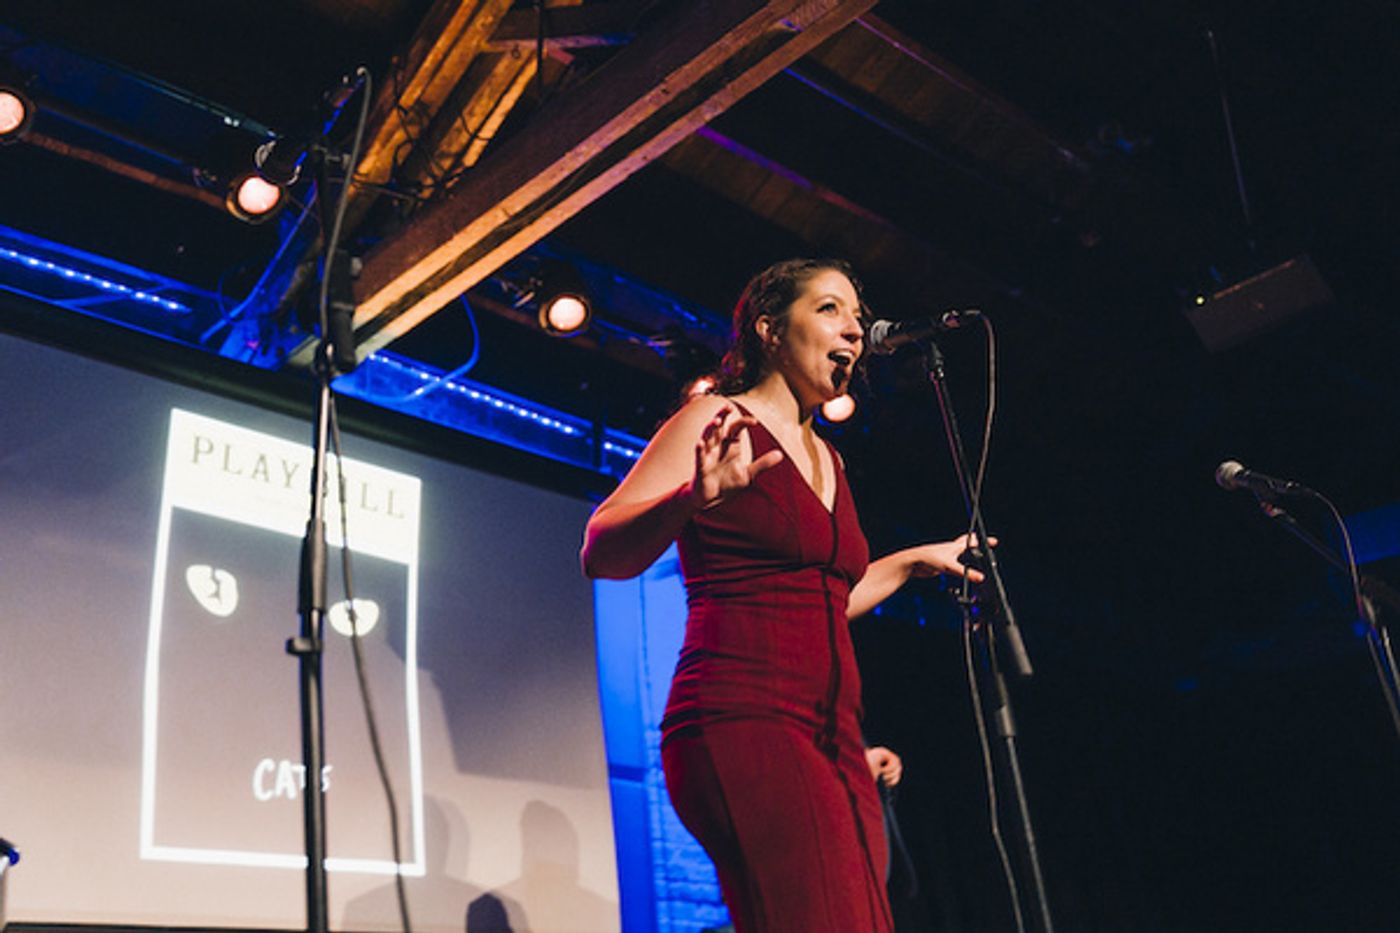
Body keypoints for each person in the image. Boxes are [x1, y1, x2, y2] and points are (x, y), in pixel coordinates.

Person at [581, 258, 984, 932]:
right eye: (830, 309)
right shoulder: (716, 418)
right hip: (744, 717)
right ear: (770, 329)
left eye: (858, 315)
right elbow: (600, 551)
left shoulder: (831, 457)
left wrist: (912, 563)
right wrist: (691, 498)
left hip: (834, 735)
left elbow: (824, 600)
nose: (854, 330)